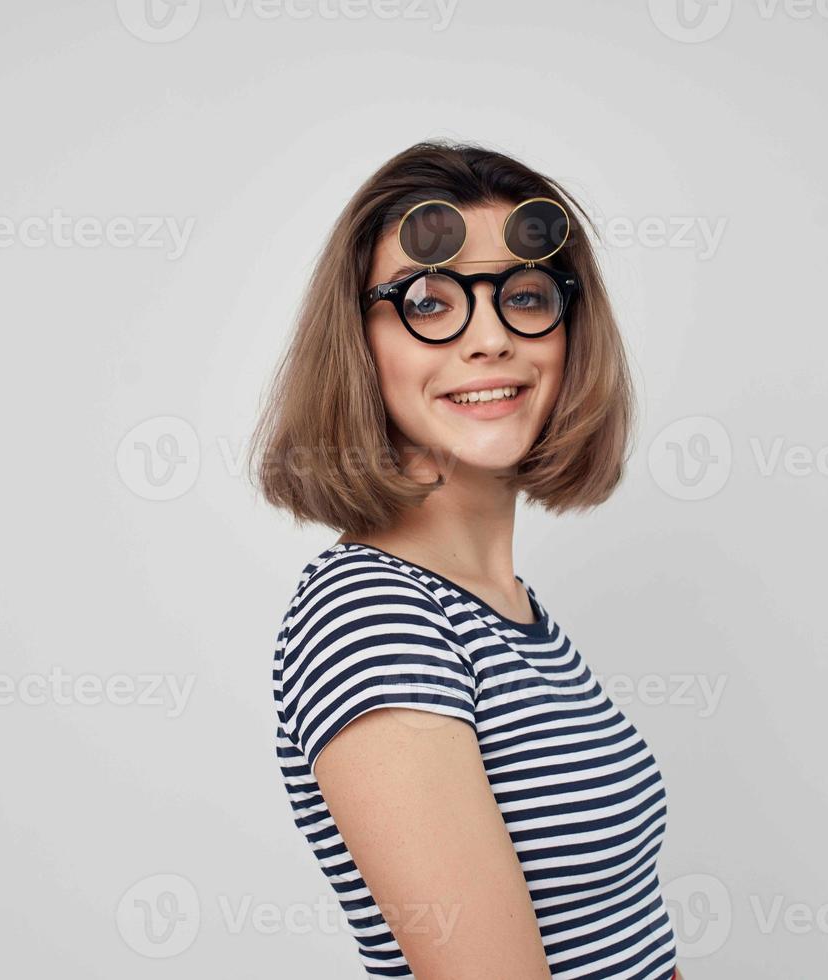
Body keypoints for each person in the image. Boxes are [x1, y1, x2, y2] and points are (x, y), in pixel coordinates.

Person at [252, 140, 682, 979]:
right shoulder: (374, 619)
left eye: (524, 296)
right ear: (361, 343)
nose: (489, 338)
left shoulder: (505, 608)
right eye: (430, 301)